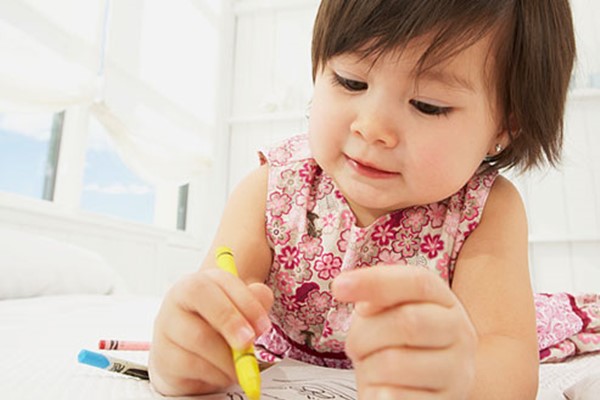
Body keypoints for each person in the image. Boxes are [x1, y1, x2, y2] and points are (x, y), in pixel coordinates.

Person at [149, 0, 576, 398]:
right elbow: (214, 312)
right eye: (350, 81)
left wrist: (461, 378)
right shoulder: (270, 189)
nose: (372, 127)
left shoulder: (487, 210)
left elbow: (510, 363)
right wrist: (182, 353)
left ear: (506, 125)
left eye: (427, 105)